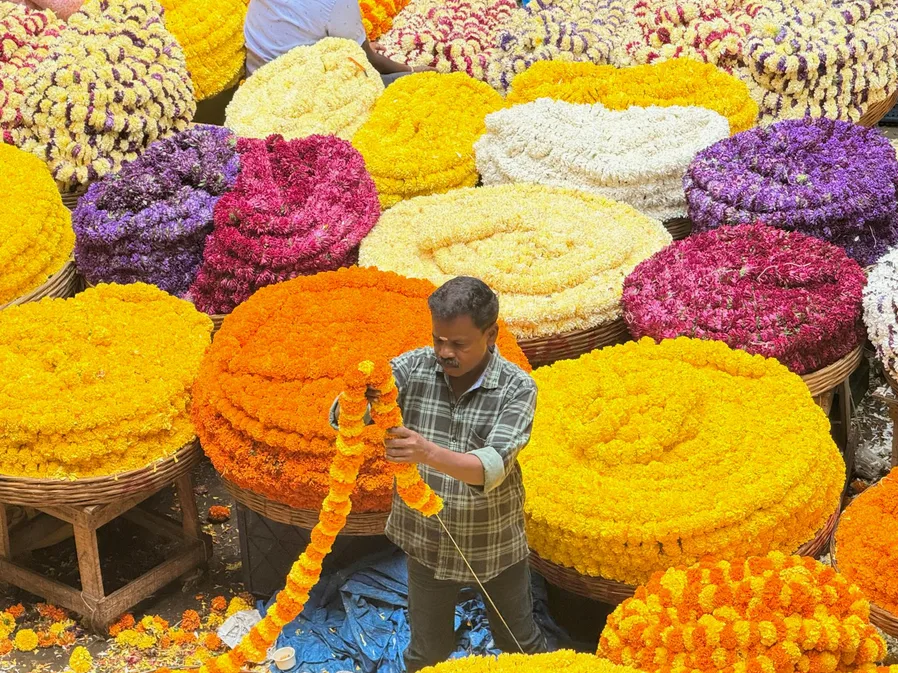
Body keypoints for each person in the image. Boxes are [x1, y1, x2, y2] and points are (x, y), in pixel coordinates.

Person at [330, 276, 546, 672]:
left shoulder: (517, 388)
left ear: (491, 334)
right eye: (438, 339)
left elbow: (490, 467)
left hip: (492, 543)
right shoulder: (414, 367)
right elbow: (342, 418)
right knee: (426, 652)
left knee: (520, 644)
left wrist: (425, 451)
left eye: (458, 344)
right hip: (426, 543)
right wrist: (359, 394)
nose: (445, 352)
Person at [244, 0, 429, 82]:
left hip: (255, 78)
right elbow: (371, 61)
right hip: (296, 95)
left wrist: (355, 43)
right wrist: (411, 70)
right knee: (417, 83)